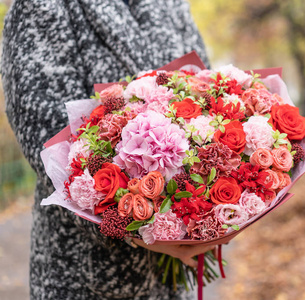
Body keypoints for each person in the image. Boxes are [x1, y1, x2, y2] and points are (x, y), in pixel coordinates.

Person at [1, 0, 213, 299]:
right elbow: (43, 132)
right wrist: (137, 227)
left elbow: (204, 86)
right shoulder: (42, 6)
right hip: (90, 271)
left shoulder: (171, 4)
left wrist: (211, 209)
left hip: (176, 277)